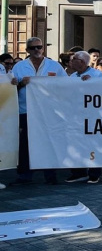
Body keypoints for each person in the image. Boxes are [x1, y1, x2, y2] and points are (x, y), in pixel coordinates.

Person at [9, 37, 67, 185]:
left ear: (43, 48)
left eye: (39, 47)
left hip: (48, 112)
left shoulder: (55, 66)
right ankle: (24, 176)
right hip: (26, 110)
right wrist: (21, 83)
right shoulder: (19, 67)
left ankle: (50, 175)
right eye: (33, 48)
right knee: (25, 144)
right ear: (27, 50)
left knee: (49, 143)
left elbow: (67, 85)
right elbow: (11, 88)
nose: (37, 50)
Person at [64, 51, 102, 184]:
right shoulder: (73, 76)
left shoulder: (96, 74)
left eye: (74, 59)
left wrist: (91, 83)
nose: (71, 61)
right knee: (76, 144)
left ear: (81, 62)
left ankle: (94, 173)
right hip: (76, 116)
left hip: (92, 116)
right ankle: (78, 172)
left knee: (93, 144)